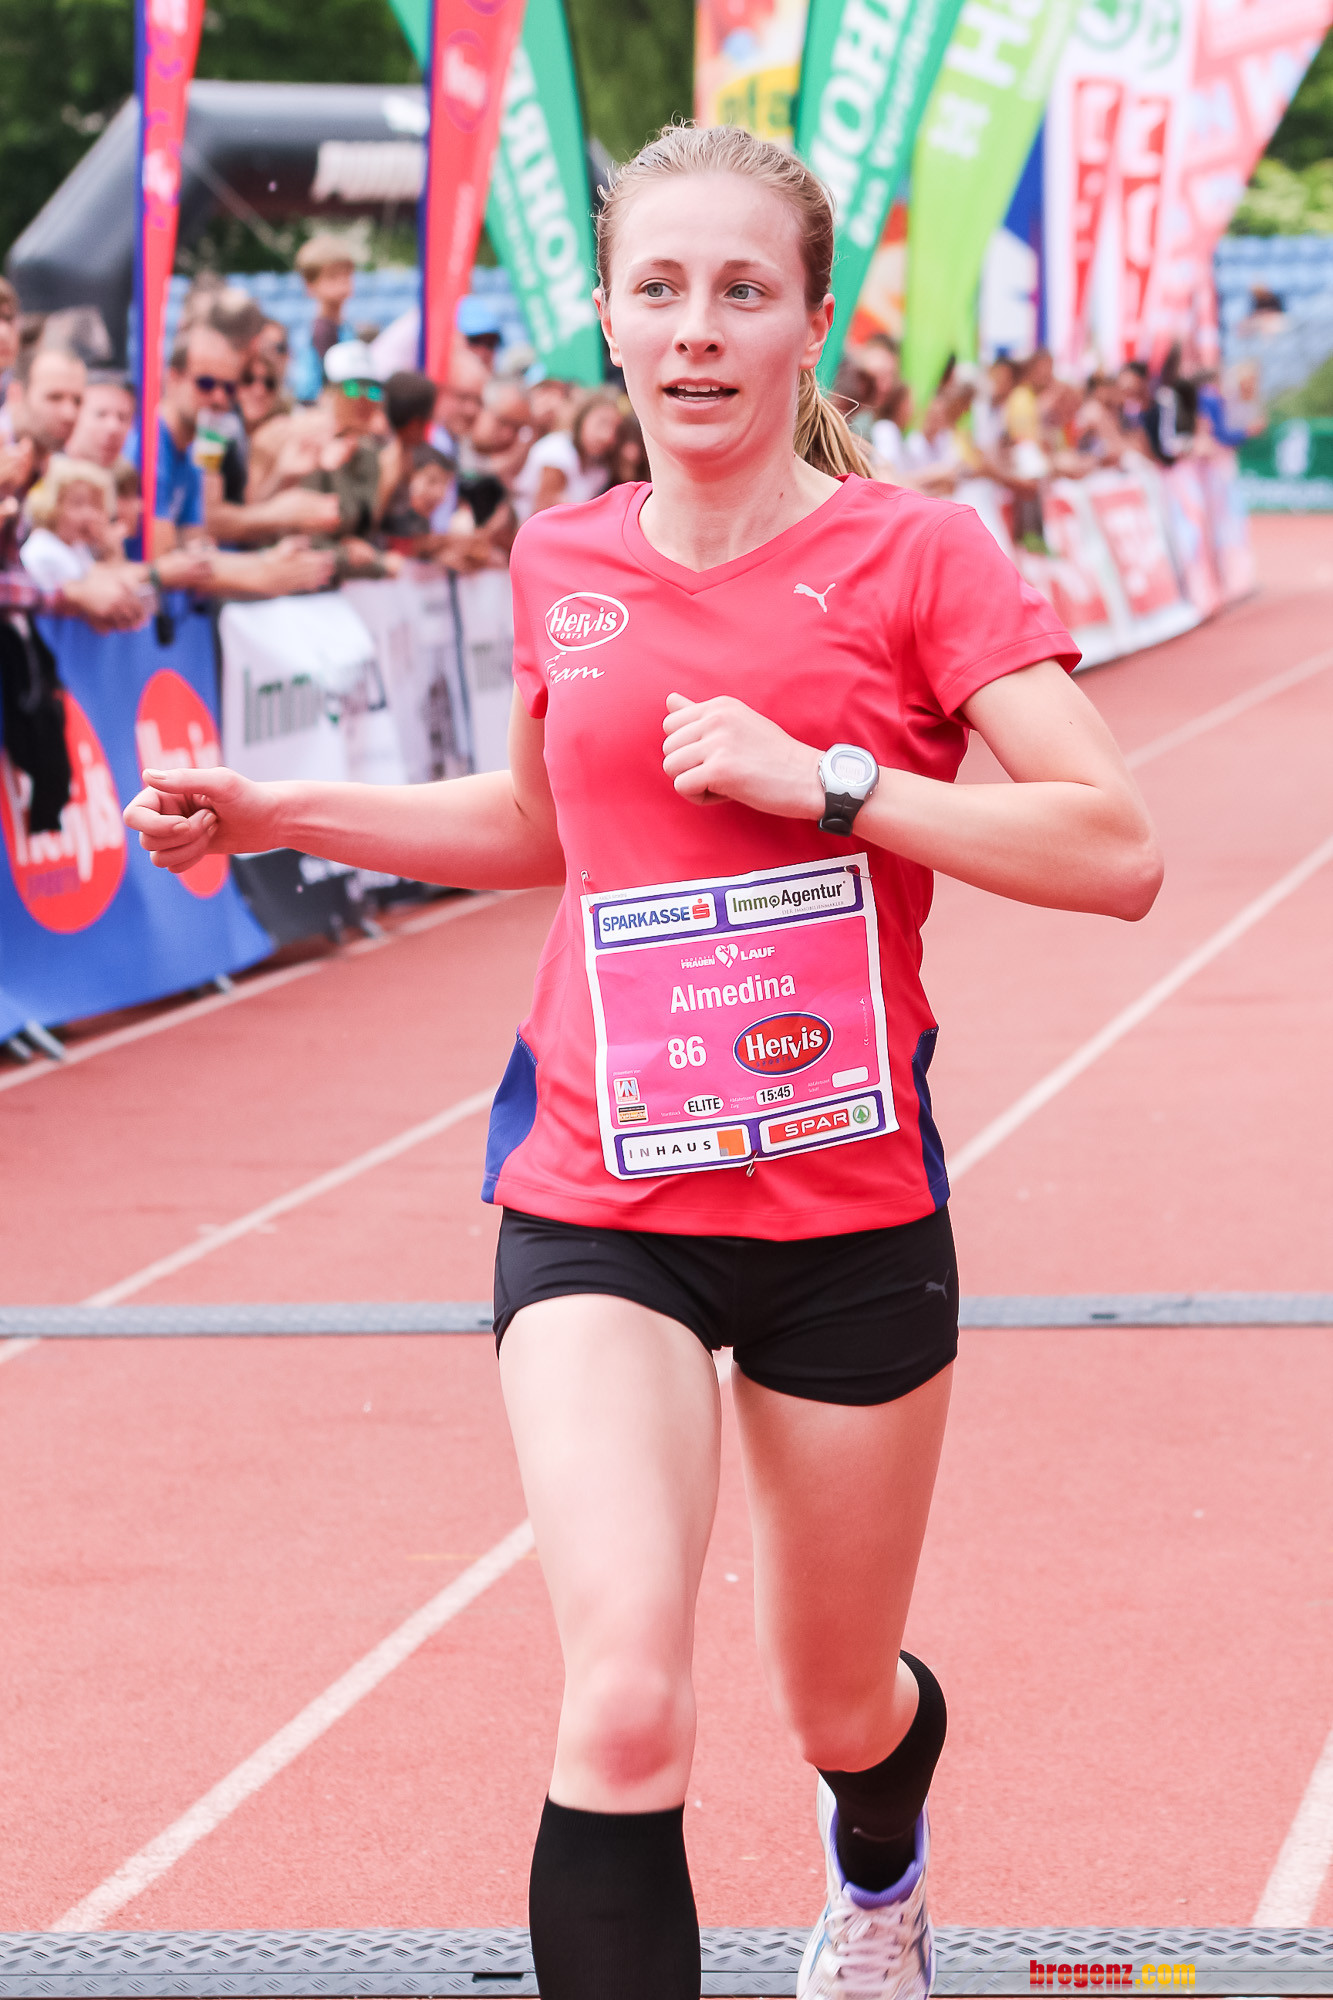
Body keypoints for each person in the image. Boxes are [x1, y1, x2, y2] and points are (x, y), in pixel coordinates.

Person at [125, 122, 1163, 2000]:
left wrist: (830, 783)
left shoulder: (919, 554)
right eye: (659, 288)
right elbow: (544, 827)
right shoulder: (561, 557)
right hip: (600, 1193)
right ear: (606, 318)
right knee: (619, 1698)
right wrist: (275, 807)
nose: (696, 328)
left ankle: (876, 1864)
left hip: (846, 1206)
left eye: (740, 291)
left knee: (835, 1701)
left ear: (808, 324)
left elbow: (1114, 849)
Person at [518, 387, 620, 515]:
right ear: (582, 418)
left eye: (616, 429)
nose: (608, 436)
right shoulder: (557, 451)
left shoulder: (600, 470)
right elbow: (544, 512)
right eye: (602, 423)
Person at [20, 455, 116, 589]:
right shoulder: (42, 551)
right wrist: (112, 551)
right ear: (52, 504)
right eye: (78, 504)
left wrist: (107, 548)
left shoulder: (75, 545)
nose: (89, 514)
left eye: (95, 505)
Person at [292, 234, 360, 401]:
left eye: (347, 275)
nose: (342, 282)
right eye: (332, 277)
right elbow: (324, 387)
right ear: (310, 285)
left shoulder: (344, 327)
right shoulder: (322, 330)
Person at [66, 372, 136, 470]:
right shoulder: (46, 473)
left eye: (122, 417)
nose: (114, 427)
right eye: (101, 414)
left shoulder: (132, 476)